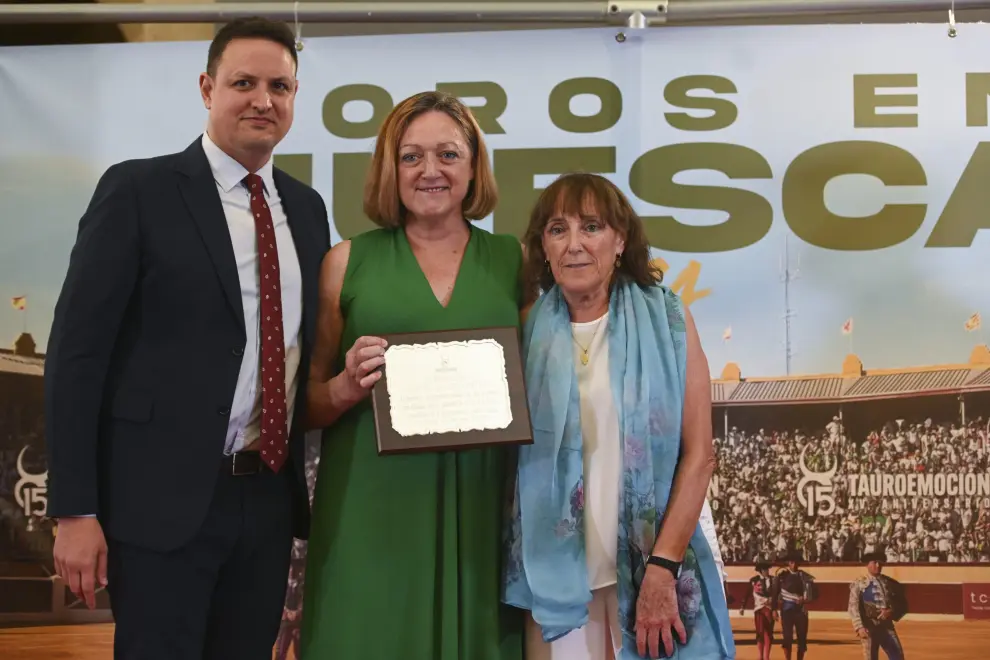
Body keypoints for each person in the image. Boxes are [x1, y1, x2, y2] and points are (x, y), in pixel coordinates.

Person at [43, 17, 329, 660]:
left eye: (279, 86)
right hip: (158, 506)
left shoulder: (306, 209)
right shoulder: (137, 190)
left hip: (266, 502)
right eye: (244, 82)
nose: (263, 99)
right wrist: (74, 512)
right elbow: (76, 357)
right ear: (207, 88)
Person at [298, 90, 524, 659]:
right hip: (369, 515)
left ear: (474, 168)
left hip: (481, 514)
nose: (430, 171)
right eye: (411, 156)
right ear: (388, 169)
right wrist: (345, 389)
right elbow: (301, 404)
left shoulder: (515, 260)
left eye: (448, 154)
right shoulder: (345, 262)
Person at [502, 172, 735, 660]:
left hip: (651, 569)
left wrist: (662, 568)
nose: (574, 245)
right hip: (554, 587)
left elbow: (699, 457)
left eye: (591, 226)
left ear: (620, 239)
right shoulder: (523, 329)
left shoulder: (669, 317)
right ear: (542, 246)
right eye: (557, 229)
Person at [848, 551, 907, 660]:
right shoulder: (859, 583)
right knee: (871, 657)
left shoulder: (890, 583)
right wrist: (859, 627)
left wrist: (891, 611)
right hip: (869, 626)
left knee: (898, 656)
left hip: (886, 625)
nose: (878, 565)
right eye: (874, 562)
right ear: (867, 564)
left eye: (880, 563)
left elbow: (902, 604)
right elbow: (853, 607)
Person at [775, 551, 816, 660]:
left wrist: (805, 599)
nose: (794, 565)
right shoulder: (781, 576)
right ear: (788, 563)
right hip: (787, 611)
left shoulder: (804, 576)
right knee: (787, 638)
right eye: (792, 562)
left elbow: (814, 594)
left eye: (796, 562)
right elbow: (775, 594)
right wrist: (774, 610)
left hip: (801, 611)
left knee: (802, 639)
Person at [739, 560, 778, 660]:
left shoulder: (774, 580)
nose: (767, 571)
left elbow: (777, 595)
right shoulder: (754, 580)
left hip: (769, 609)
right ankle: (760, 656)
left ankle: (766, 657)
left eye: (767, 569)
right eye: (764, 569)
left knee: (769, 633)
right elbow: (747, 593)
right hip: (759, 608)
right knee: (760, 632)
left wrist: (775, 607)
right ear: (760, 570)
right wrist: (743, 606)